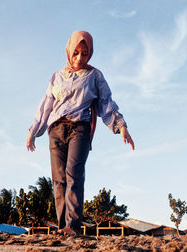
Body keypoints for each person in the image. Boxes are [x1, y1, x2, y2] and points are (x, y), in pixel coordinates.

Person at [26, 31, 135, 236]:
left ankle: (72, 226)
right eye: (75, 53)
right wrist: (33, 131)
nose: (79, 58)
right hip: (56, 130)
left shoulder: (95, 76)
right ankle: (62, 228)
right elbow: (46, 106)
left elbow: (106, 103)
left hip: (80, 128)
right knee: (58, 180)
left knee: (74, 174)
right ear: (68, 50)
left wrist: (121, 126)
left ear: (90, 53)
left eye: (84, 54)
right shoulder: (56, 76)